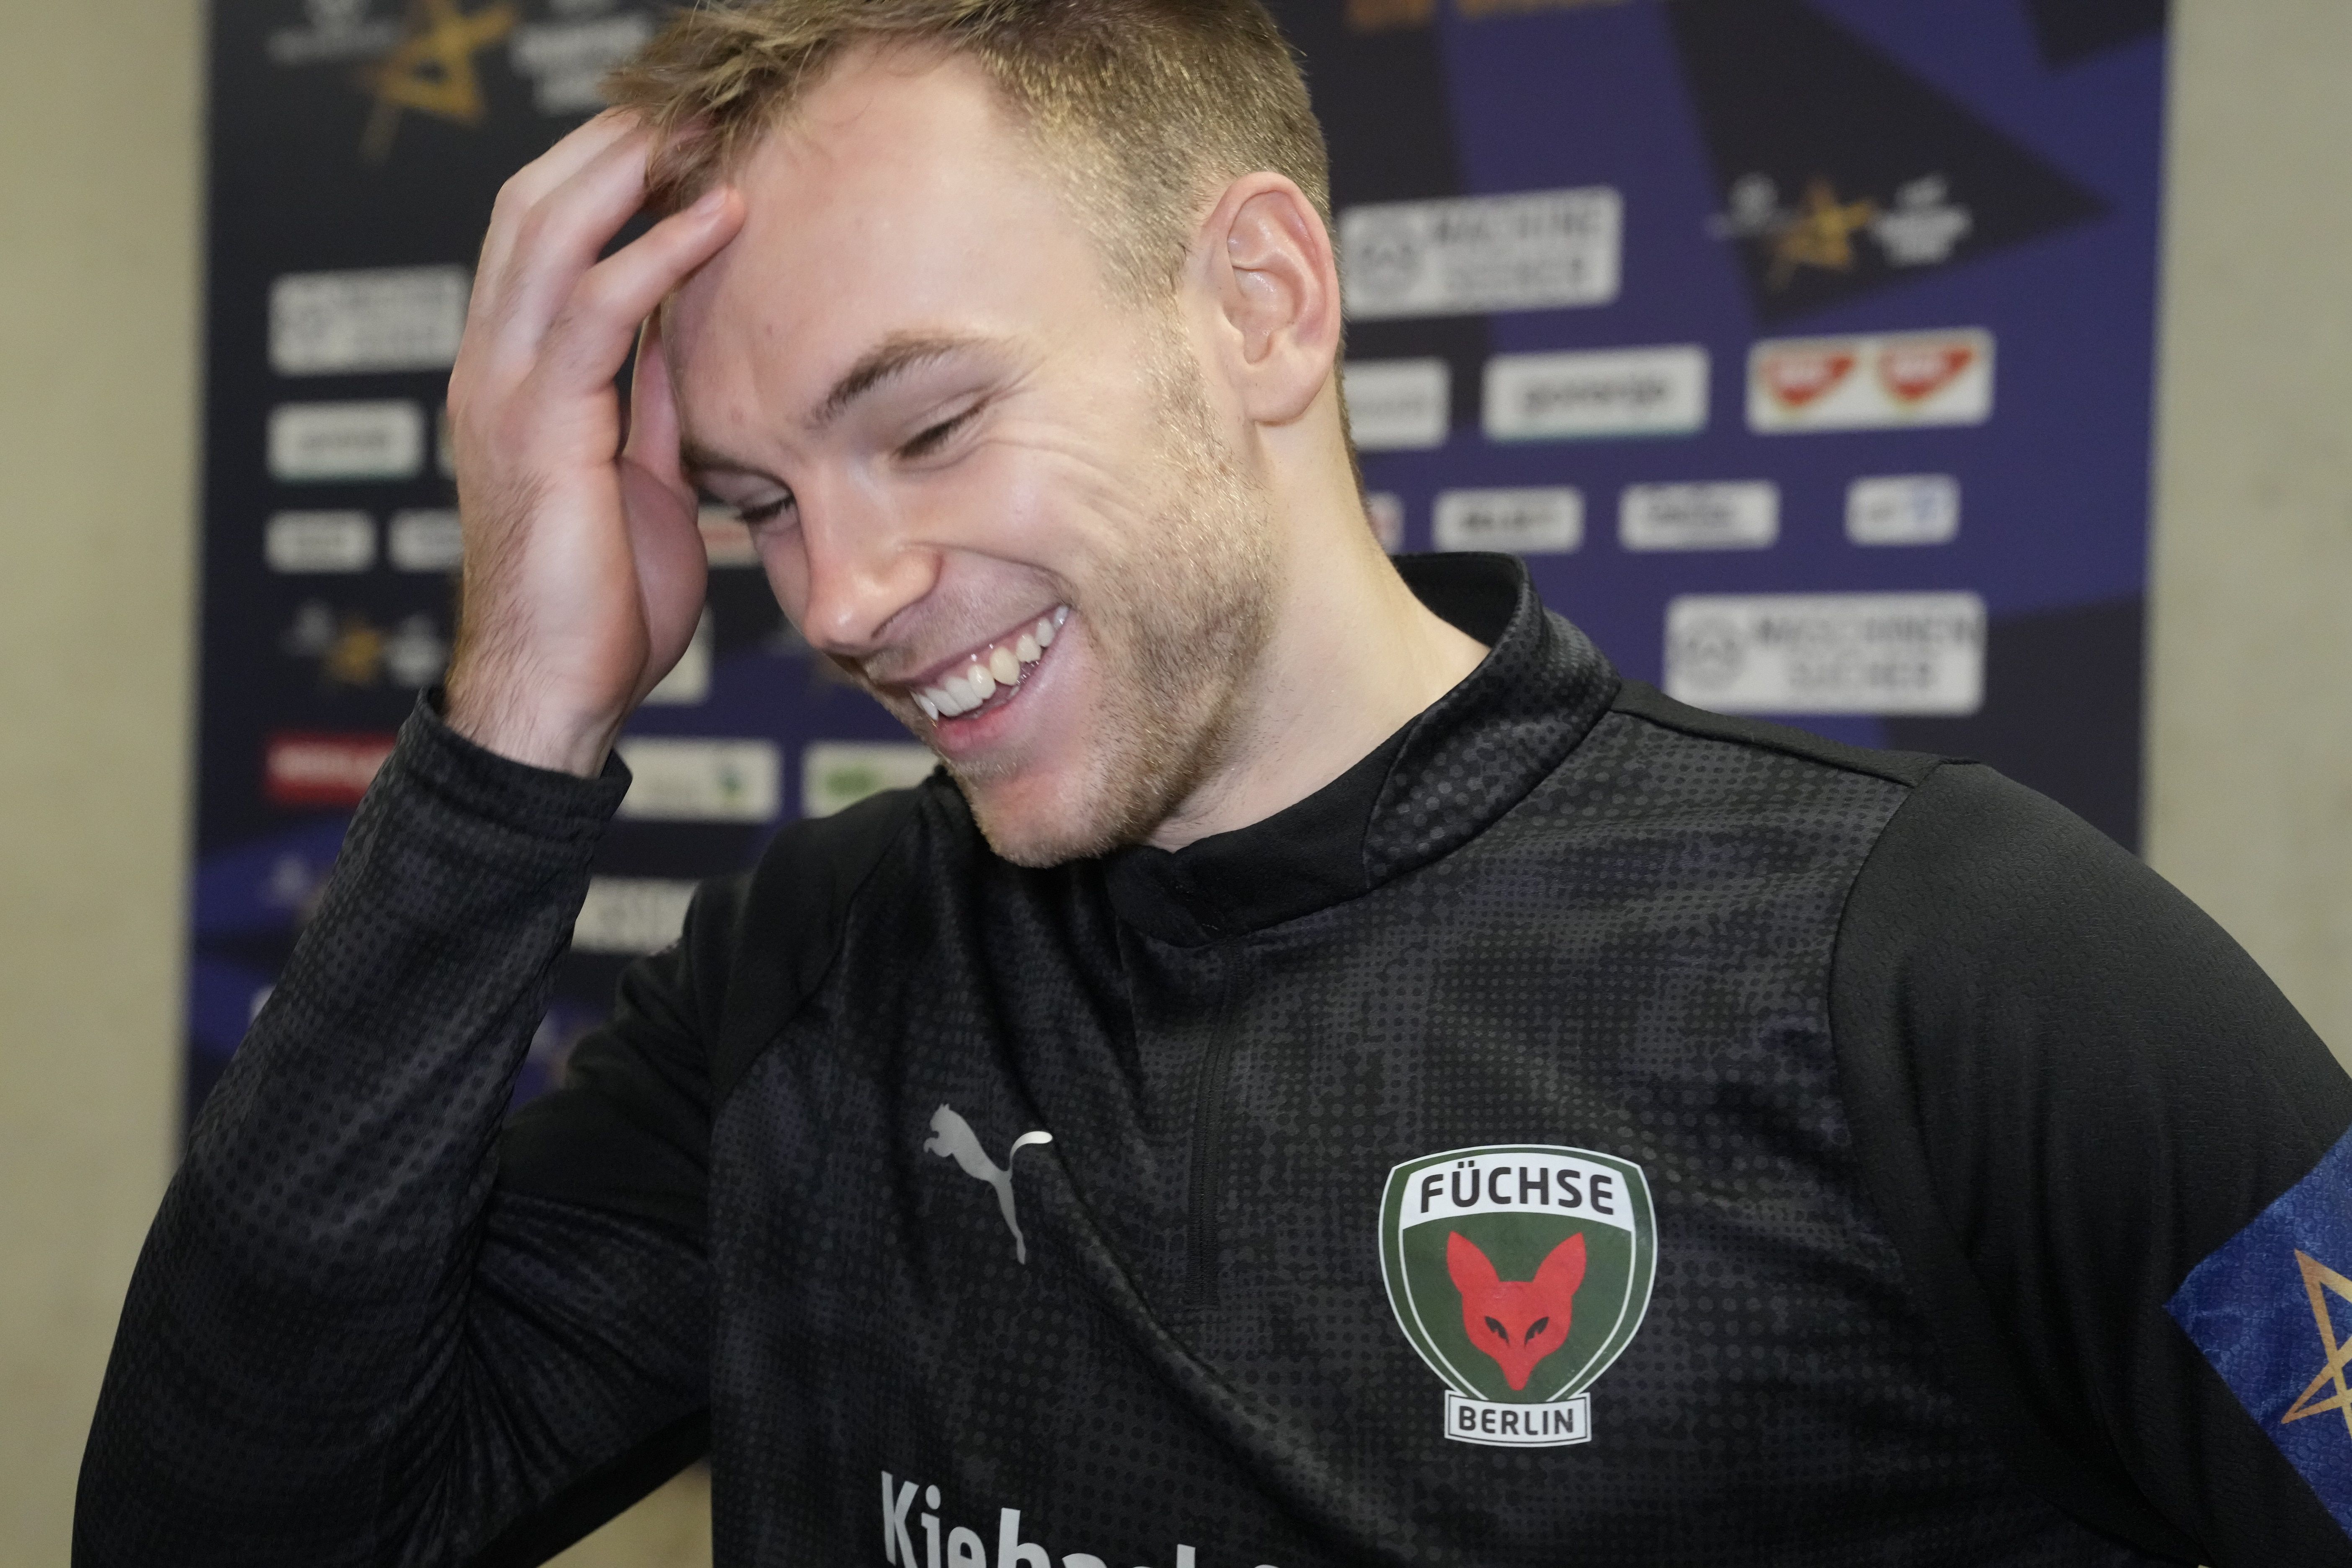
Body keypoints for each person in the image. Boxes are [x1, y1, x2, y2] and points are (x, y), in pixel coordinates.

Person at [74, 1, 2352, 1563]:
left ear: (1261, 302)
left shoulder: (1956, 970)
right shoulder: (814, 976)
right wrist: (517, 711)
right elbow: (234, 1526)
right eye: (757, 500)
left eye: (930, 423)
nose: (843, 595)